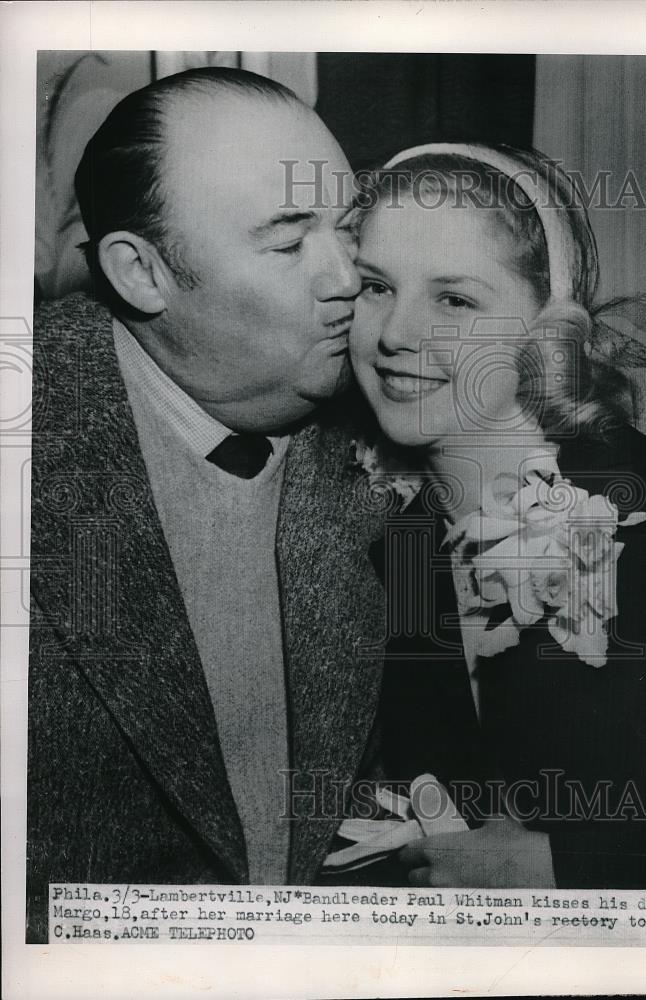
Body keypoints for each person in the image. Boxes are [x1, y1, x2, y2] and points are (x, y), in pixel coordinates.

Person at [347, 143, 646, 941]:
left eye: (455, 300)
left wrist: (578, 874)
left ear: (550, 327)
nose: (396, 333)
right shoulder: (377, 546)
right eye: (375, 287)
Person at [26, 67, 386, 943]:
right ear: (142, 273)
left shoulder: (396, 419)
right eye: (288, 241)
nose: (349, 279)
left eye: (347, 230)